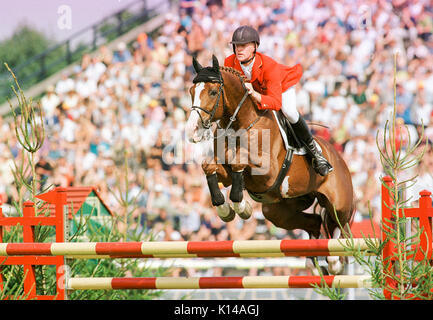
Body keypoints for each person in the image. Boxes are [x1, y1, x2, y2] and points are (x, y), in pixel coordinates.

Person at [224, 25, 333, 176]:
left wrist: (255, 95)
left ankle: (315, 152)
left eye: (243, 45)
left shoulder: (269, 66)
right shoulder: (229, 63)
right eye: (236, 45)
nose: (239, 49)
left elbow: (275, 103)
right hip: (257, 92)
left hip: (281, 88)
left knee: (289, 112)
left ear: (255, 46)